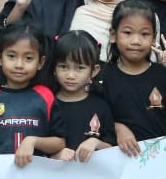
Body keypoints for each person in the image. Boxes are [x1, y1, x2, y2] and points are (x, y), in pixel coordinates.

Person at [94, 0, 166, 155]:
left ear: (153, 38)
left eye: (144, 34)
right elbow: (92, 117)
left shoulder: (163, 73)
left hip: (163, 159)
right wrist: (117, 127)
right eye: (128, 33)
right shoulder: (103, 77)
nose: (136, 41)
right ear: (113, 35)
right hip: (120, 162)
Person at [0, 23, 63, 166]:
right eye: (11, 56)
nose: (19, 65)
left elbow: (60, 142)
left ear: (40, 62)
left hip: (36, 174)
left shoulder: (46, 96)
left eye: (28, 58)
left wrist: (33, 141)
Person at [48, 31, 116, 162]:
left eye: (80, 68)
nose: (70, 75)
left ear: (94, 70)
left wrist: (95, 142)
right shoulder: (46, 104)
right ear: (54, 68)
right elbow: (38, 147)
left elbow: (112, 147)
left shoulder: (100, 105)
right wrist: (54, 156)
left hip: (92, 173)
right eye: (63, 67)